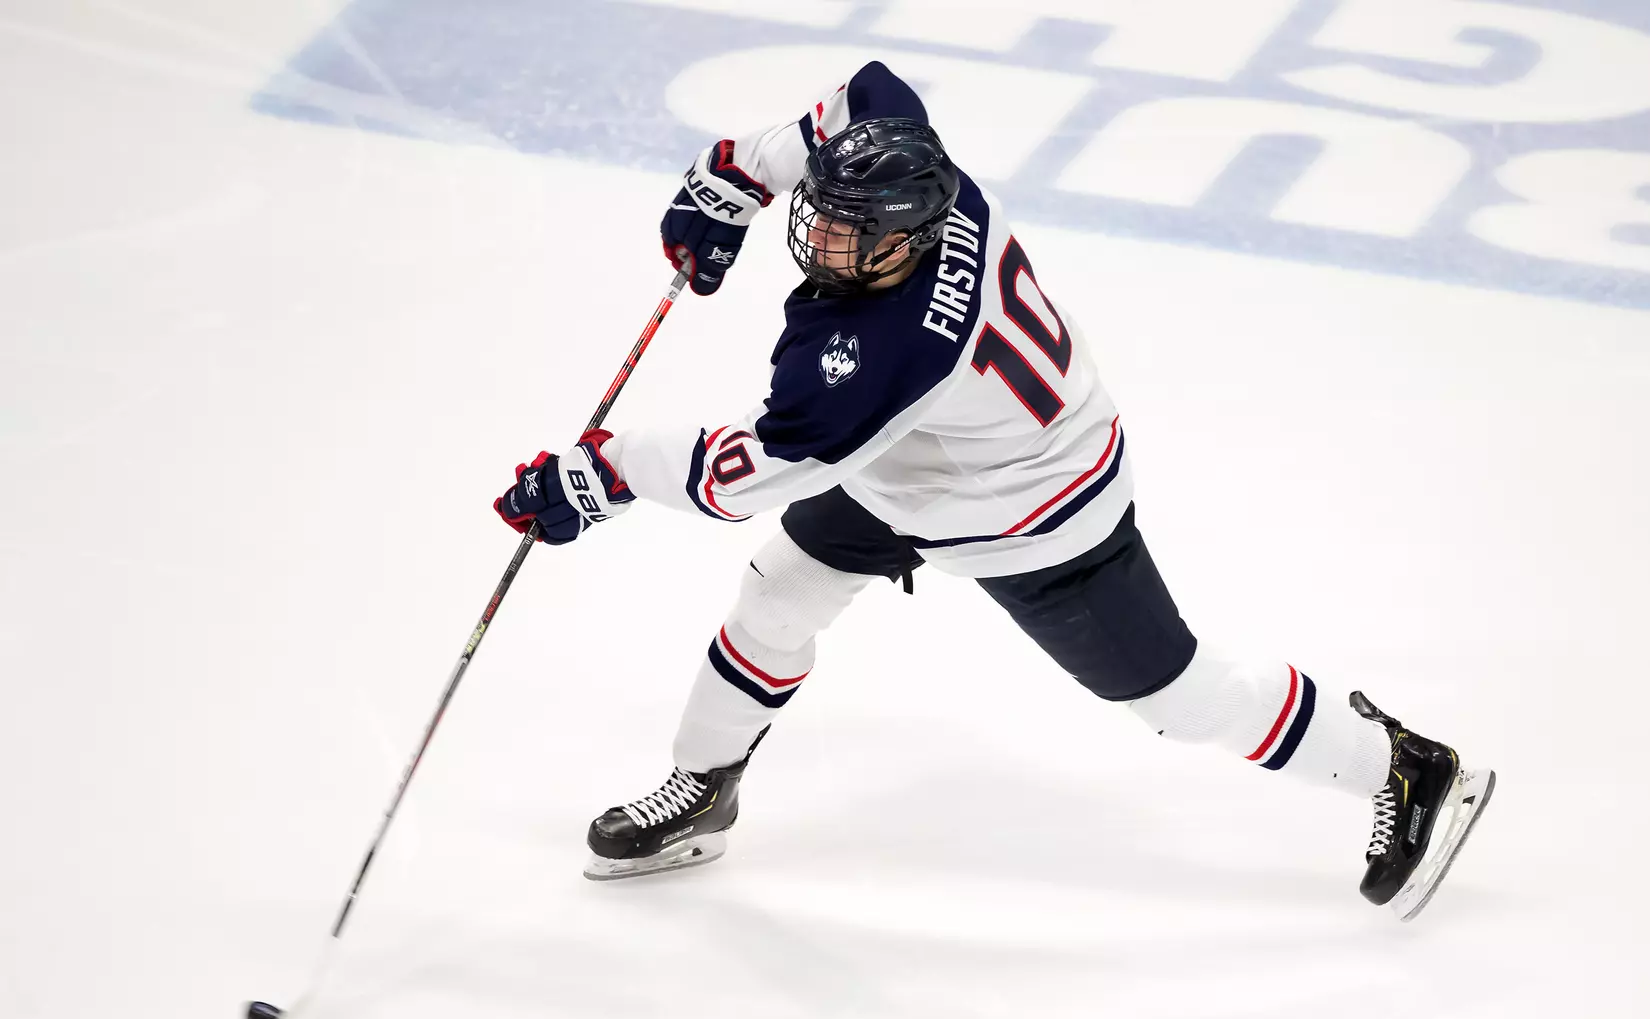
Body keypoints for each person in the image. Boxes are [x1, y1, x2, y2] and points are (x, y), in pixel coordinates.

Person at [493, 61, 1494, 920]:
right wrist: (739, 175)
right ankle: (704, 787)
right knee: (780, 590)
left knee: (1177, 697)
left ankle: (1403, 764)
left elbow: (740, 474)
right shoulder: (927, 186)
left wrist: (600, 472)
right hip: (923, 464)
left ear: (904, 240)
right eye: (824, 217)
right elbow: (866, 93)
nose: (826, 243)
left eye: (851, 234)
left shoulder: (877, 355)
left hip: (1037, 509)